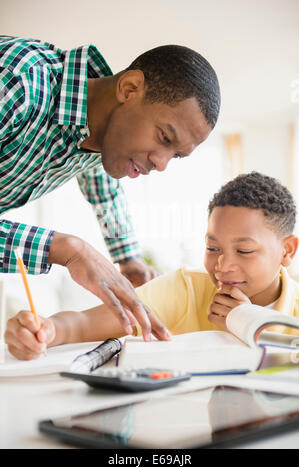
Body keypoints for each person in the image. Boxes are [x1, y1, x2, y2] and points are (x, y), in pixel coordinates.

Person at [0, 36, 221, 340]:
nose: (162, 164)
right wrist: (65, 248)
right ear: (129, 88)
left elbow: (105, 193)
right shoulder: (18, 81)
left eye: (176, 156)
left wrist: (128, 257)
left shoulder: (100, 134)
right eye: (165, 138)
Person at [10, 170, 297, 361]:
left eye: (244, 250)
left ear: (287, 250)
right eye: (212, 248)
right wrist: (47, 330)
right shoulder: (186, 288)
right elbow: (85, 324)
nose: (223, 266)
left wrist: (246, 322)